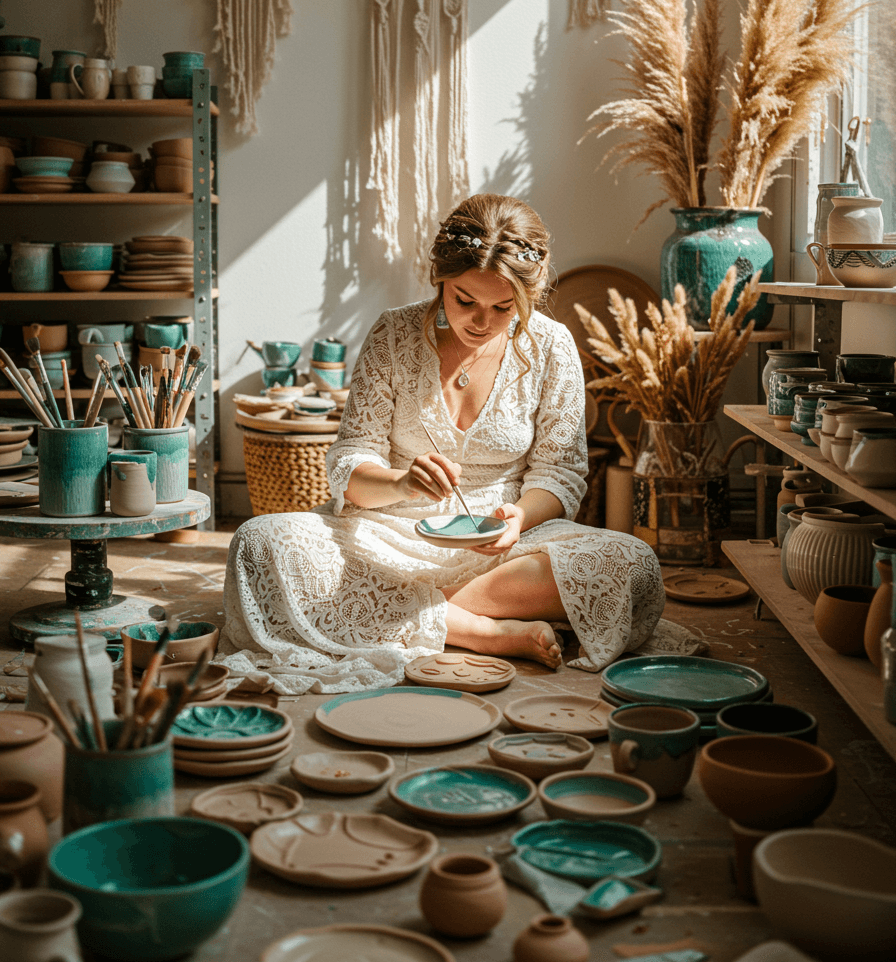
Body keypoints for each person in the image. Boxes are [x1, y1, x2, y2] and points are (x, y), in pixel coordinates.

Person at [220, 193, 697, 695]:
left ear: (527, 295)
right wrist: (402, 481)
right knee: (259, 543)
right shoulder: (393, 335)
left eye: (502, 307)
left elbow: (561, 472)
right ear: (439, 278)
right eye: (464, 299)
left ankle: (418, 610)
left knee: (634, 565)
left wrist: (520, 518)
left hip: (504, 549)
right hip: (386, 535)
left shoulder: (552, 347)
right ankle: (479, 631)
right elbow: (350, 463)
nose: (480, 321)